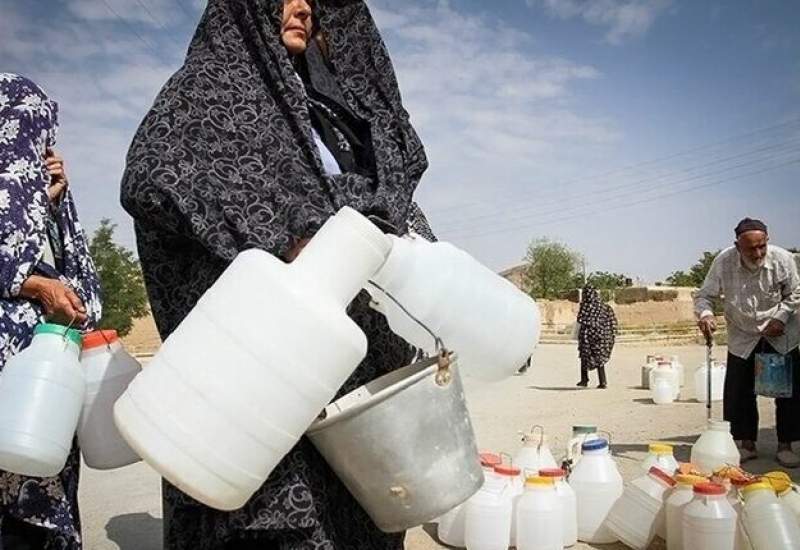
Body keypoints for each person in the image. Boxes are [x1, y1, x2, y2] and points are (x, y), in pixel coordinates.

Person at [120, 0, 430, 548]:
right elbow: (153, 176)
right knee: (275, 511)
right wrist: (281, 236)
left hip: (353, 377)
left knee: (361, 518)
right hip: (265, 368)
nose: (302, 7)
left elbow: (389, 206)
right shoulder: (210, 91)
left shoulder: (341, 113)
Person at [0, 73, 102, 549]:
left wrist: (50, 205)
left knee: (40, 510)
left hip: (40, 394)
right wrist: (30, 282)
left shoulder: (37, 203)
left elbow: (74, 272)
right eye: (25, 127)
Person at [694, 217, 800, 467]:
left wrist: (782, 317)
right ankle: (746, 444)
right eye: (751, 248)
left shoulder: (782, 259)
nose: (758, 252)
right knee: (739, 392)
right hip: (743, 335)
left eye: (762, 246)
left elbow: (796, 292)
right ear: (737, 245)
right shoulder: (723, 261)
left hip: (779, 332)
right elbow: (704, 296)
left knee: (787, 392)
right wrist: (706, 315)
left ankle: (786, 445)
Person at [576, 284, 617, 389]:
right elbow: (611, 321)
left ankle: (584, 380)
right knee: (599, 358)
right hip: (600, 337)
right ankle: (603, 382)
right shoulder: (603, 306)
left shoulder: (585, 306)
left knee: (584, 357)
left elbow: (580, 320)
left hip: (587, 337)